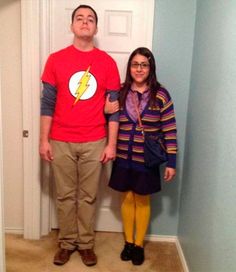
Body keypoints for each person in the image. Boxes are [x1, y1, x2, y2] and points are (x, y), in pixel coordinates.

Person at [39, 5, 120, 267]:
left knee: (88, 197)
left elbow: (115, 110)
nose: (85, 23)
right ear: (72, 25)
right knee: (63, 196)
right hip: (60, 139)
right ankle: (66, 243)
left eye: (90, 19)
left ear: (95, 28)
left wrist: (112, 144)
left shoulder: (107, 62)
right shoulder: (55, 60)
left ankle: (85, 244)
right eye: (80, 18)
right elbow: (47, 104)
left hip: (95, 140)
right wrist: (43, 139)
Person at [109, 47, 178, 265]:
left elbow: (169, 128)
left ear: (150, 68)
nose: (139, 69)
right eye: (135, 64)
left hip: (146, 160)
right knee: (126, 198)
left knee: (142, 199)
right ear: (129, 67)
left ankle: (139, 245)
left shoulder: (161, 94)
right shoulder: (120, 91)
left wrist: (172, 162)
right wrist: (104, 109)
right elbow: (109, 120)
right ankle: (128, 242)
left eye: (144, 64)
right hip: (122, 157)